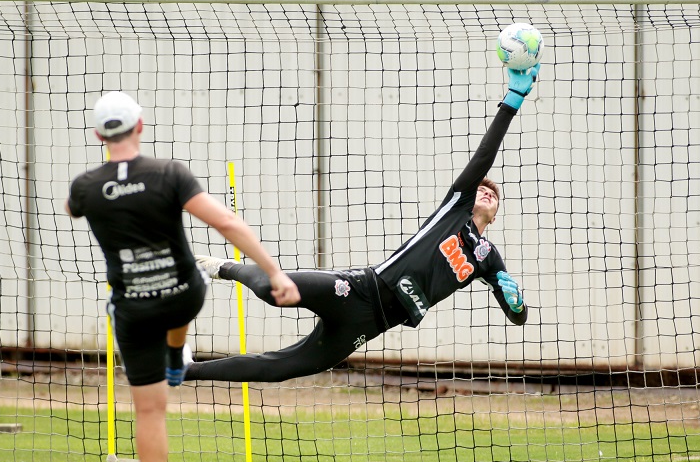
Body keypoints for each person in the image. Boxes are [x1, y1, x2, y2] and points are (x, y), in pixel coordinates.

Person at [189, 63, 539, 385]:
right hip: (360, 289)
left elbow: (516, 317)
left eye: (494, 194)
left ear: (495, 216)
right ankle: (225, 267)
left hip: (373, 324)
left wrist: (516, 302)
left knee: (282, 368)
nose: (487, 191)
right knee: (273, 291)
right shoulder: (457, 207)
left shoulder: (488, 257)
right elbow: (484, 155)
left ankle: (184, 371)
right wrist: (512, 101)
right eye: (482, 187)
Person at [65, 91, 300, 462]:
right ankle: (177, 354)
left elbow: (72, 210)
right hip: (181, 295)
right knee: (192, 284)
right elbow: (227, 223)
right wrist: (274, 272)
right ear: (140, 126)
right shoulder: (169, 174)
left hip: (131, 308)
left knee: (149, 411)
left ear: (99, 135)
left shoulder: (86, 186)